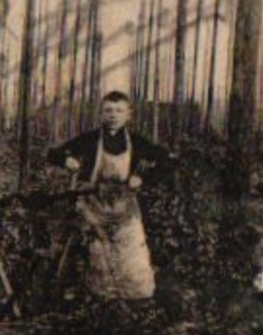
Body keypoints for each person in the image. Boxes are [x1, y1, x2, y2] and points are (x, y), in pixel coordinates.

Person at [46, 90, 170, 300]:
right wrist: (67, 161)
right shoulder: (90, 140)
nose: (113, 115)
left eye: (119, 111)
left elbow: (166, 161)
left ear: (128, 115)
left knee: (133, 258)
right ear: (101, 114)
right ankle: (93, 298)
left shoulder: (137, 142)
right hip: (93, 207)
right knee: (94, 255)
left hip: (125, 208)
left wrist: (143, 178)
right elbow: (53, 154)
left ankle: (131, 297)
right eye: (108, 110)